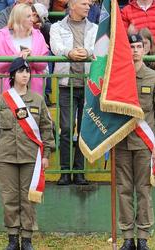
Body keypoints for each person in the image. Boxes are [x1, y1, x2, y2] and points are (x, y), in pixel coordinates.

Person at [116, 34, 155, 250]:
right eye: (131, 46)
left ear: (145, 49)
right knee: (123, 189)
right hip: (121, 142)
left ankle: (144, 236)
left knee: (144, 190)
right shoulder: (117, 78)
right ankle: (128, 236)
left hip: (144, 144)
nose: (135, 50)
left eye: (139, 46)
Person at [0, 57, 54, 250]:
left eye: (27, 71)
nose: (25, 75)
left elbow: (47, 128)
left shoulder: (37, 99)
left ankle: (27, 238)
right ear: (12, 75)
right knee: (9, 197)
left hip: (31, 157)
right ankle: (13, 238)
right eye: (21, 71)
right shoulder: (3, 99)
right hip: (5, 157)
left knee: (28, 198)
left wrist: (46, 154)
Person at [50, 0, 98, 185]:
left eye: (89, 4)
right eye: (84, 3)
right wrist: (69, 53)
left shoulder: (95, 28)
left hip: (88, 84)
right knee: (67, 128)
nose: (88, 6)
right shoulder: (56, 27)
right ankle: (65, 171)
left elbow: (99, 48)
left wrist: (86, 51)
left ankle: (79, 171)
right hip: (66, 84)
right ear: (72, 5)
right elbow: (56, 47)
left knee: (84, 129)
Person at [0, 3, 49, 95]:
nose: (32, 19)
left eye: (32, 16)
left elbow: (43, 64)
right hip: (8, 90)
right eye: (28, 16)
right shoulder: (2, 35)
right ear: (19, 18)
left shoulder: (38, 35)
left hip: (34, 90)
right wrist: (17, 58)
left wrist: (31, 58)